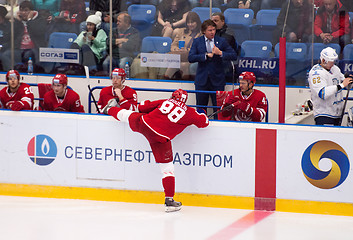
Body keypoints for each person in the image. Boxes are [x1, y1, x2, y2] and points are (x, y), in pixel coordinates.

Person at [102, 89, 209, 212]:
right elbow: (204, 123)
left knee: (127, 115)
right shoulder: (190, 112)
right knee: (168, 169)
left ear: (173, 96)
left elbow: (142, 107)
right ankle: (169, 201)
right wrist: (202, 114)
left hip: (145, 124)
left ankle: (108, 109)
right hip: (161, 138)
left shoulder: (166, 101)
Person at [188, 19, 237, 115]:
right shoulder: (197, 41)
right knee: (201, 109)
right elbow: (191, 57)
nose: (212, 32)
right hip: (202, 81)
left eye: (214, 30)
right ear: (204, 31)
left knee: (218, 110)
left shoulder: (221, 41)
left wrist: (220, 53)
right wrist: (205, 56)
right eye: (210, 30)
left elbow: (233, 55)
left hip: (217, 80)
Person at [308, 47, 353, 126]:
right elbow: (322, 93)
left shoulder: (335, 69)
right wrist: (341, 85)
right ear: (323, 60)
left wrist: (349, 80)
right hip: (324, 114)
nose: (332, 64)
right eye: (330, 62)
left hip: (337, 113)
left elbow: (344, 81)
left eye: (333, 61)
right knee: (326, 138)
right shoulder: (316, 73)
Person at [0, 1, 47, 72]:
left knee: (28, 55)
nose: (23, 13)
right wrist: (17, 22)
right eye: (21, 10)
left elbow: (37, 32)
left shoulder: (40, 20)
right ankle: (13, 73)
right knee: (6, 54)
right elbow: (9, 35)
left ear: (32, 11)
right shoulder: (18, 21)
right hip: (19, 48)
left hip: (33, 49)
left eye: (26, 10)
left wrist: (29, 20)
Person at [164, 11, 202, 80]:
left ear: (197, 22)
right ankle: (164, 83)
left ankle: (185, 85)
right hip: (180, 56)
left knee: (183, 65)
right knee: (173, 64)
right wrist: (177, 49)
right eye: (188, 22)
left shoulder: (201, 34)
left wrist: (187, 50)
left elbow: (199, 49)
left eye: (192, 22)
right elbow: (173, 45)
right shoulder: (181, 31)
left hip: (193, 58)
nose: (190, 24)